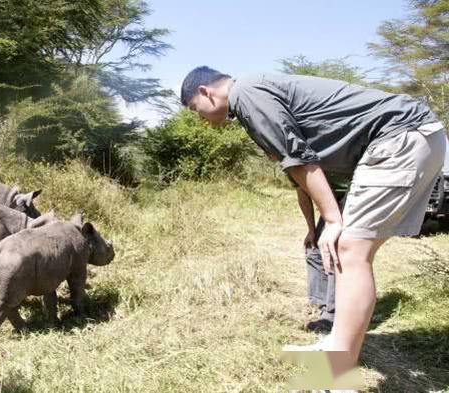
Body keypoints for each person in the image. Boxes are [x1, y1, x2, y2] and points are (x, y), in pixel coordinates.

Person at [180, 66, 445, 380]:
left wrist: (332, 219)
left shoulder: (247, 94)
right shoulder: (254, 94)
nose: (203, 120)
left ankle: (336, 374)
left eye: (198, 111)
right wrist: (316, 225)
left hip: (399, 136)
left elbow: (300, 160)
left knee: (349, 249)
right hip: (409, 136)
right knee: (350, 249)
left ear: (206, 92)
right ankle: (336, 346)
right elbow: (300, 175)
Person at [299, 174, 348, 333]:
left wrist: (333, 224)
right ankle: (321, 304)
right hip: (330, 201)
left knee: (332, 251)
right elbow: (303, 195)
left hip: (352, 195)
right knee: (313, 250)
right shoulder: (292, 165)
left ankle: (331, 315)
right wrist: (311, 230)